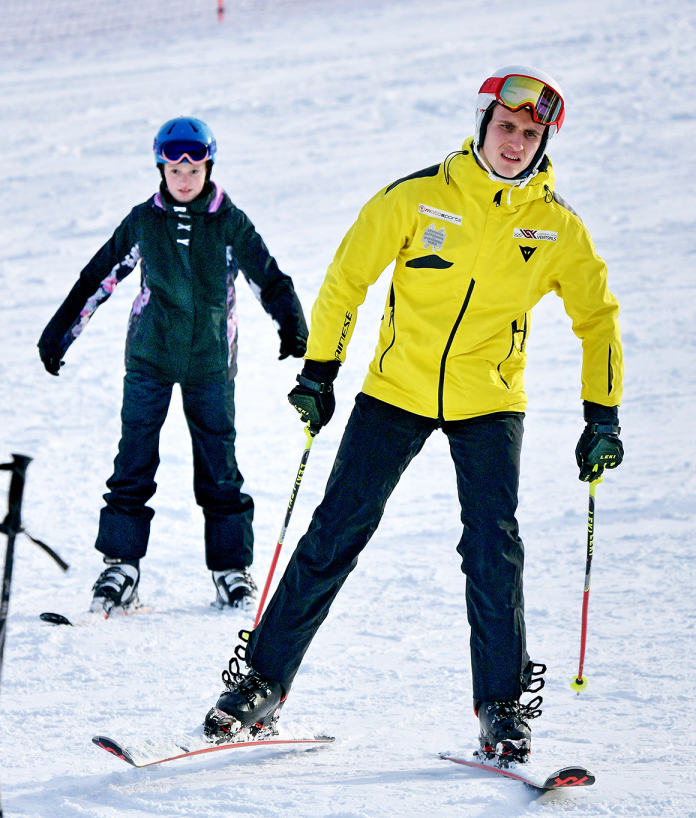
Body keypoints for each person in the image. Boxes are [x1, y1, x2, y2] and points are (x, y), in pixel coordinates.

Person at [203, 66, 625, 762]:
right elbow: (348, 277)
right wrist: (319, 372)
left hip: (489, 400)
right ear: (483, 123)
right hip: (396, 389)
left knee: (492, 549)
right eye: (506, 126)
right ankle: (262, 684)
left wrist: (601, 414)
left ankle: (502, 708)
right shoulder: (416, 197)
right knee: (335, 531)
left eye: (530, 135)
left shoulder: (556, 228)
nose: (515, 143)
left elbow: (598, 319)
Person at [37, 117, 309, 616]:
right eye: (175, 169)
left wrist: (291, 325)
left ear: (209, 167)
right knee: (134, 458)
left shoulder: (229, 222)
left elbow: (268, 278)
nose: (185, 178)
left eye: (194, 169)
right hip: (150, 358)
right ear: (160, 168)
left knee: (219, 464)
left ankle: (230, 569)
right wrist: (60, 332)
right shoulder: (145, 220)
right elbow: (99, 276)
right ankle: (121, 566)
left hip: (211, 361)